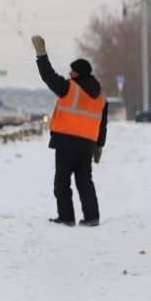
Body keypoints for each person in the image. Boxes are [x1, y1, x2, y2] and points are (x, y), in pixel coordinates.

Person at [31, 35, 108, 227]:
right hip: (86, 146)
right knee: (85, 182)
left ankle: (66, 217)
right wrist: (99, 146)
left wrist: (41, 55)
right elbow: (102, 124)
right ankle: (92, 217)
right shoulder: (100, 98)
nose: (69, 74)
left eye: (72, 71)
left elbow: (48, 76)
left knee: (62, 183)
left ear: (78, 74)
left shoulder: (68, 88)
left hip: (66, 143)